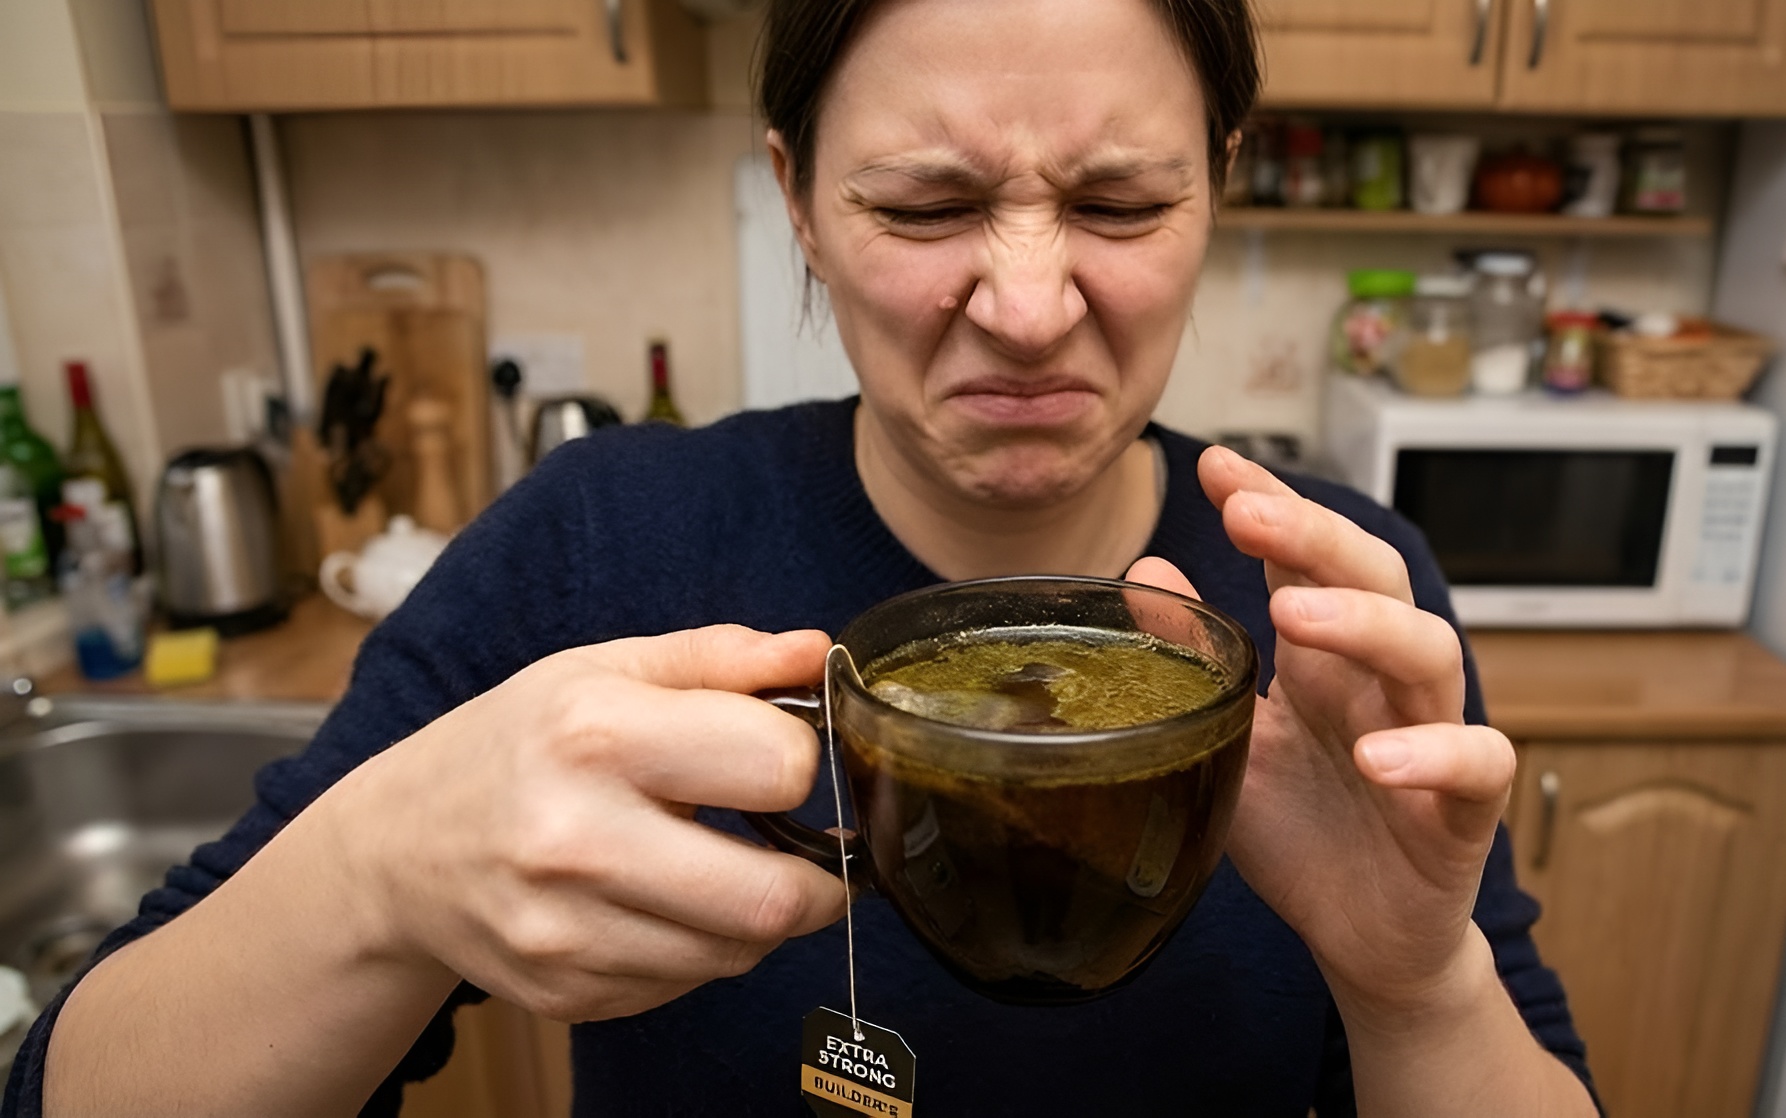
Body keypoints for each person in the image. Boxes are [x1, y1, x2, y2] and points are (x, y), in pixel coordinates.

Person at [6, 1, 1600, 1114]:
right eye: (927, 205)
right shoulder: (598, 545)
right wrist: (381, 878)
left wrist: (1417, 989)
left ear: (1219, 186)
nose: (1028, 306)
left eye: (1119, 202)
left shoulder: (1333, 602)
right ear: (800, 200)